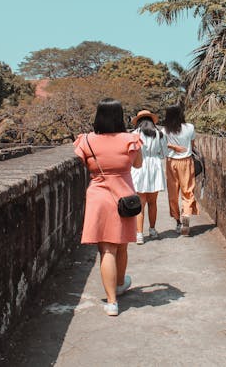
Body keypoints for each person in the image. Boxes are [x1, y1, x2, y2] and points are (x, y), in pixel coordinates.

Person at [74, 98, 143, 316]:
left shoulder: (86, 140)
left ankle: (112, 301)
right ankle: (120, 283)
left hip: (98, 196)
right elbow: (138, 164)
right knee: (121, 245)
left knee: (106, 250)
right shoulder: (130, 139)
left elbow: (82, 162)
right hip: (123, 197)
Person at [130, 110, 185, 244]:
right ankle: (152, 230)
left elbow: (130, 153)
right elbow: (164, 154)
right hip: (155, 167)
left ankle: (139, 234)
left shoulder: (134, 134)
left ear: (138, 121)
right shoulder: (159, 134)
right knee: (152, 202)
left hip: (139, 168)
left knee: (140, 203)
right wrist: (155, 156)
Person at [162, 104, 197, 236]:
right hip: (186, 162)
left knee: (173, 193)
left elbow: (162, 145)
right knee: (187, 191)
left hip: (171, 163)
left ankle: (177, 222)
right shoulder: (190, 127)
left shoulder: (165, 130)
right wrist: (180, 147)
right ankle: (186, 216)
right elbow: (192, 145)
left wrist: (173, 146)